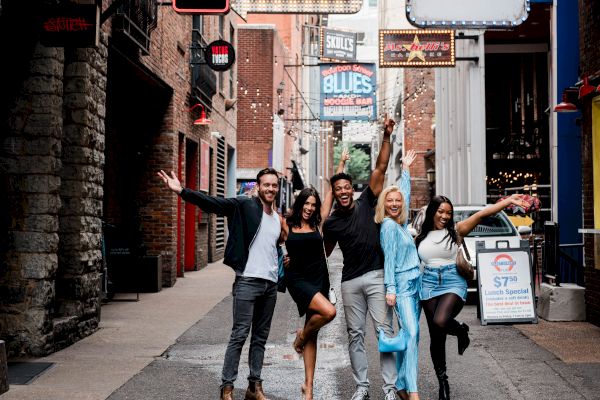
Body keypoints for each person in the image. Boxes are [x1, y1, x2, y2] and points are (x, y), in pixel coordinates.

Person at [157, 167, 282, 400]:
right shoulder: (244, 205)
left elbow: (270, 247)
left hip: (270, 285)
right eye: (267, 184)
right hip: (247, 281)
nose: (271, 189)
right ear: (258, 186)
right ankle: (227, 387)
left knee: (260, 339)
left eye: (274, 185)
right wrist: (182, 191)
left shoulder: (276, 219)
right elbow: (213, 203)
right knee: (239, 335)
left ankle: (255, 387)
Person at [415, 193, 528, 400]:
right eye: (441, 211)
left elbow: (484, 213)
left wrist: (509, 201)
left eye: (448, 213)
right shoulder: (420, 236)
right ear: (432, 211)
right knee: (436, 336)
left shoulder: (457, 230)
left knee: (441, 321)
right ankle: (443, 383)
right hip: (428, 284)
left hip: (452, 281)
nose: (445, 216)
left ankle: (461, 331)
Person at [322, 114, 398, 400]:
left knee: (384, 333)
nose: (343, 192)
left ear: (351, 189)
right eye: (337, 189)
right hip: (350, 281)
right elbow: (323, 253)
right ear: (334, 193)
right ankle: (362, 387)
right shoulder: (331, 224)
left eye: (346, 188)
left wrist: (387, 135)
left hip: (377, 276)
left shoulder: (367, 200)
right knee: (354, 335)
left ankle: (389, 388)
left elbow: (380, 165)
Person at [281, 151, 349, 400]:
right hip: (298, 279)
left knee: (316, 330)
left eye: (313, 204)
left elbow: (331, 191)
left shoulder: (319, 223)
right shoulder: (287, 225)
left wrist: (340, 164)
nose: (309, 208)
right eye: (306, 204)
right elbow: (271, 244)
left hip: (319, 277)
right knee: (329, 313)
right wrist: (281, 258)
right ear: (300, 205)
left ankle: (308, 387)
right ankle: (300, 338)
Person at [374, 149, 420, 400]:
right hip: (401, 285)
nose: (394, 204)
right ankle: (412, 392)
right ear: (384, 204)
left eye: (397, 201)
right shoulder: (389, 227)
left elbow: (407, 195)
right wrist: (390, 289)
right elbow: (389, 260)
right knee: (411, 333)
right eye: (389, 201)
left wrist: (406, 171)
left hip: (416, 283)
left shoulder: (401, 223)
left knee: (411, 337)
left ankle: (402, 383)